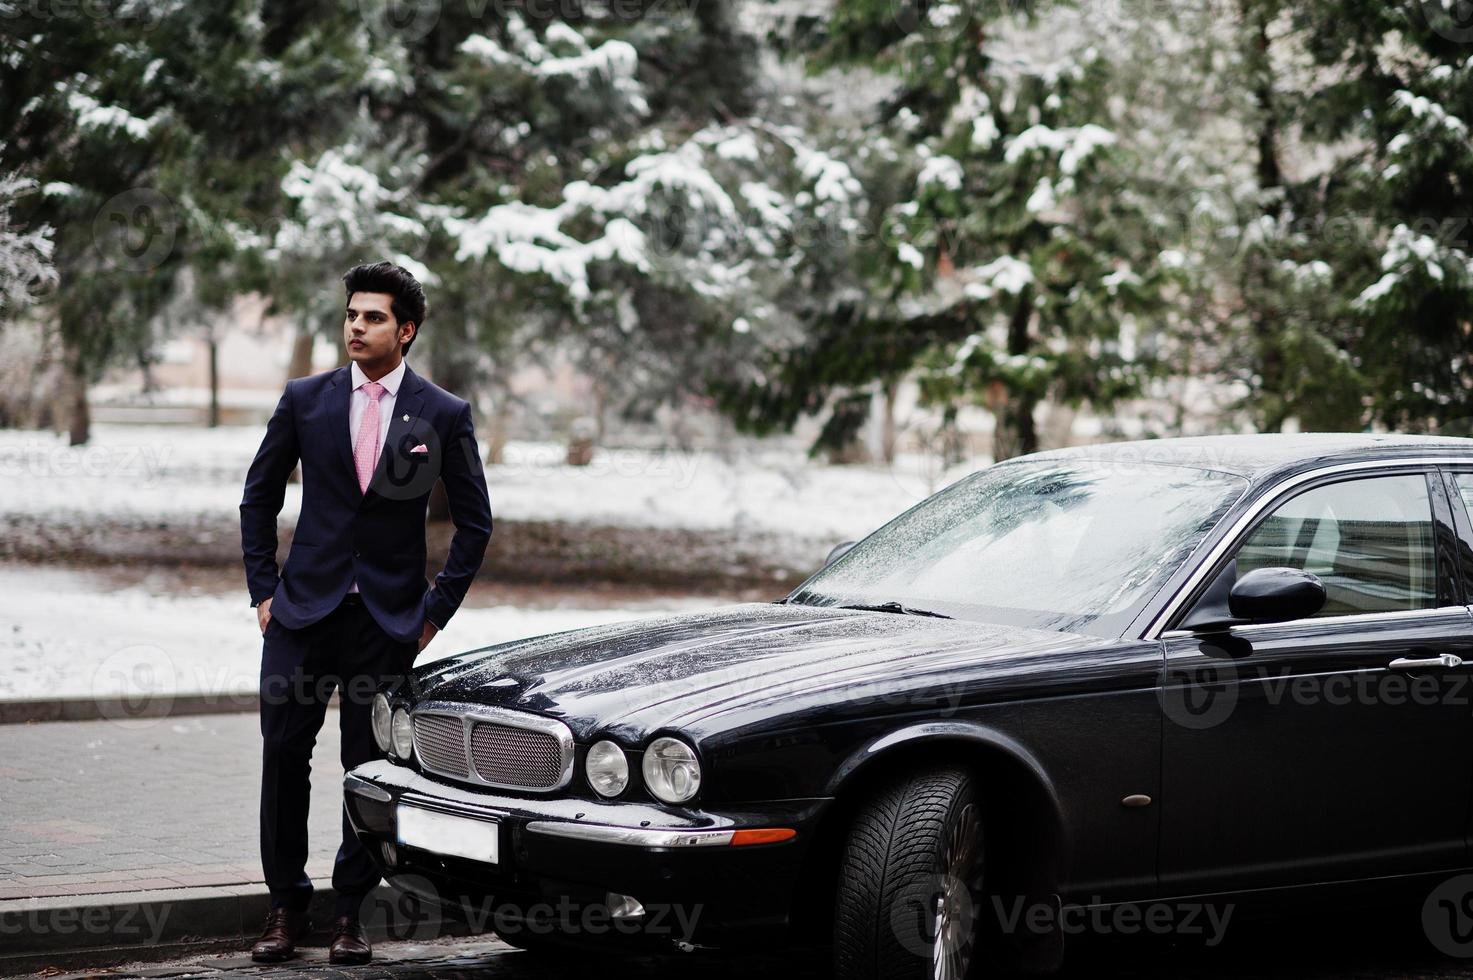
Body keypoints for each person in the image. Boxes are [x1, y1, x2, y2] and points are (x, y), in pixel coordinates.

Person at [239, 261, 492, 964]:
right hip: (300, 617)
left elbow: (474, 524)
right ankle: (285, 907)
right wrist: (264, 593)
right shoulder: (305, 399)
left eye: (373, 317)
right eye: (351, 314)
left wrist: (434, 612)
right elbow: (258, 498)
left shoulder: (441, 413)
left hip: (384, 623)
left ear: (404, 330)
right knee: (284, 758)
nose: (356, 325)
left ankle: (350, 912)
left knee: (368, 768)